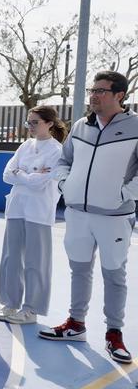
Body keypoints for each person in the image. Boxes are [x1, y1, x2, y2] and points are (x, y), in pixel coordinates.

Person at [40, 70, 137, 365]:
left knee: (114, 275)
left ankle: (114, 334)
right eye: (92, 90)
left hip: (114, 216)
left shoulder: (135, 126)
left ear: (119, 95)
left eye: (100, 91)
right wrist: (64, 184)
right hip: (78, 214)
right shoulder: (82, 125)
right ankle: (76, 324)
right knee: (79, 270)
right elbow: (64, 160)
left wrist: (123, 194)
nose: (93, 96)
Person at [0, 106, 66, 325]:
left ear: (49, 124)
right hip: (16, 207)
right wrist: (30, 174)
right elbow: (6, 174)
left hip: (39, 211)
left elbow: (40, 183)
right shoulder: (25, 146)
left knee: (36, 261)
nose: (30, 126)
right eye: (29, 122)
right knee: (11, 258)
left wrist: (21, 173)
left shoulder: (57, 151)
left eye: (35, 122)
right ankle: (10, 302)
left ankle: (31, 309)